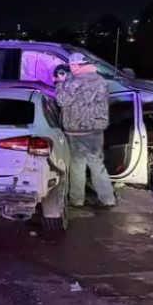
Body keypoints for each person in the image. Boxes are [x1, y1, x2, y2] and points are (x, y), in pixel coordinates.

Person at [55, 53, 116, 209]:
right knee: (97, 164)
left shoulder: (73, 83)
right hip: (96, 130)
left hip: (77, 131)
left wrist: (61, 83)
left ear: (76, 66)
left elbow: (61, 101)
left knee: (77, 165)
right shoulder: (100, 80)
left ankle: (77, 200)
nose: (70, 69)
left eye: (71, 66)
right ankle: (108, 199)